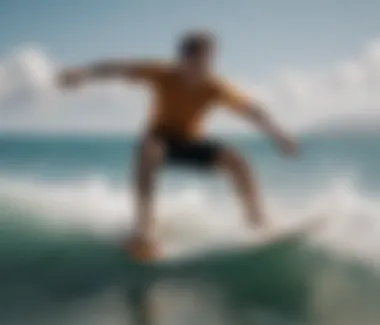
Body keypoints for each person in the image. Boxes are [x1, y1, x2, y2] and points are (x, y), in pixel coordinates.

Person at [58, 30, 297, 260]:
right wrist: (82, 73)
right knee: (150, 150)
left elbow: (251, 110)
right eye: (199, 61)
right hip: (160, 139)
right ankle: (144, 230)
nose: (204, 67)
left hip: (190, 142)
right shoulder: (163, 73)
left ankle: (257, 221)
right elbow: (119, 68)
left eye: (208, 61)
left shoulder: (214, 86)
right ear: (184, 59)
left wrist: (278, 135)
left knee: (236, 160)